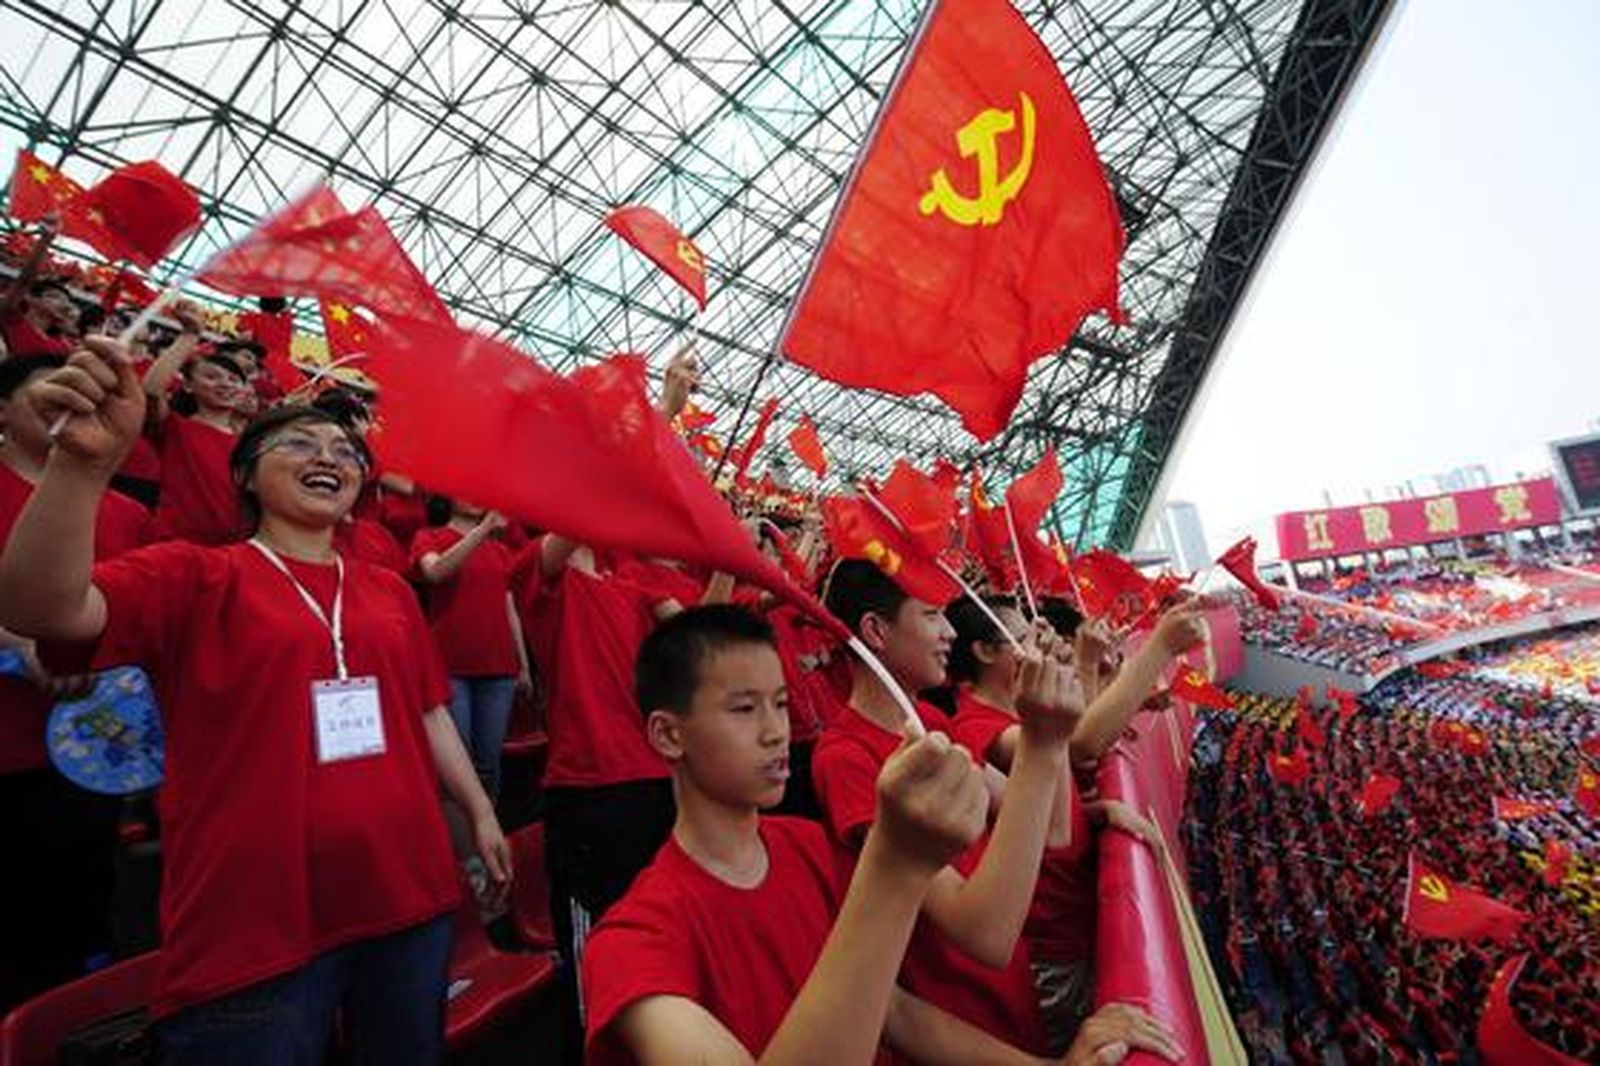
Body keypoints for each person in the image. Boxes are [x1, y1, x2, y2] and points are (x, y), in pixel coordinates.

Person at [0, 337, 511, 1065]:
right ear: (244, 473)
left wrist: (482, 811)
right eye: (298, 443)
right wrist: (81, 467)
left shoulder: (390, 591)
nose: (328, 456)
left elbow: (427, 709)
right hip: (252, 924)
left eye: (344, 449)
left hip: (407, 894)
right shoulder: (196, 576)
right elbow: (44, 610)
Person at [583, 605, 1184, 1066]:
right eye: (744, 710)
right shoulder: (630, 943)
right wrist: (894, 864)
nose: (775, 732)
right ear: (667, 736)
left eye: (782, 705)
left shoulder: (803, 846)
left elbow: (893, 1010)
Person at [813, 560, 1084, 1052]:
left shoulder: (932, 718)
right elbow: (984, 933)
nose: (950, 631)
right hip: (961, 1024)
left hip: (1014, 1006)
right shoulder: (844, 758)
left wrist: (1053, 720)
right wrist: (1044, 744)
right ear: (875, 630)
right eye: (933, 615)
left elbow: (1054, 829)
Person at [943, 595, 1199, 1050]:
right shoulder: (974, 725)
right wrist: (1154, 649)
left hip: (1073, 924)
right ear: (984, 652)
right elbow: (1079, 743)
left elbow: (1055, 791)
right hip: (1055, 948)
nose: (1036, 646)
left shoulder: (1008, 714)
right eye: (1023, 639)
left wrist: (1095, 812)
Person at [0, 352, 149, 1010]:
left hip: (95, 742)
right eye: (49, 391)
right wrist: (20, 641)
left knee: (81, 884)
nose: (72, 400)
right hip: (8, 737)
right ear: (4, 409)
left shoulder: (121, 511)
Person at [412, 498, 530, 801]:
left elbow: (509, 608)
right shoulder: (429, 536)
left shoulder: (500, 550)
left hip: (499, 666)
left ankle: (488, 838)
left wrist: (524, 664)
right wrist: (485, 528)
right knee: (456, 768)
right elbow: (436, 572)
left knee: (489, 764)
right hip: (450, 666)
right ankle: (461, 844)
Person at [140, 302, 250, 544]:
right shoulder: (176, 427)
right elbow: (150, 392)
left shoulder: (250, 443)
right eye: (212, 376)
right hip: (172, 546)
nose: (225, 384)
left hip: (228, 554)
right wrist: (189, 335)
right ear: (187, 386)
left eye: (234, 379)